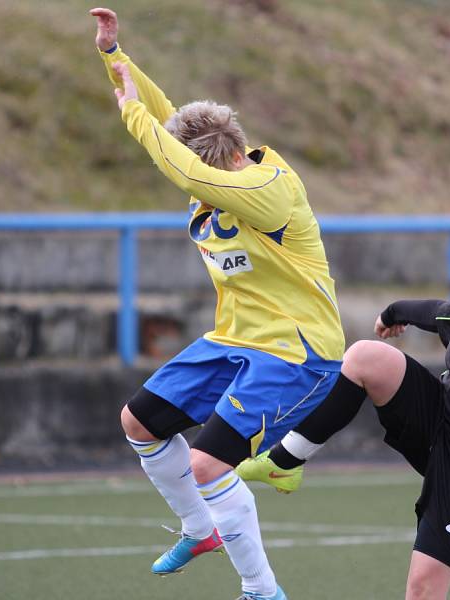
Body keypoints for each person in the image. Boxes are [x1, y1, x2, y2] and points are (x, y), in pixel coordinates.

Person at [89, 8, 345, 600]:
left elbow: (179, 165)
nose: (199, 184)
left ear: (230, 158)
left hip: (297, 352)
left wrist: (131, 116)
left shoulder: (266, 188)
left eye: (204, 173)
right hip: (235, 339)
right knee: (141, 421)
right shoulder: (215, 170)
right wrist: (115, 57)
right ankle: (199, 529)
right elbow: (170, 123)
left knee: (206, 466)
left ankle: (262, 591)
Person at [238, 211, 450, 599]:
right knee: (366, 356)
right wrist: (393, 312)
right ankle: (287, 462)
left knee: (422, 589)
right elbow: (433, 312)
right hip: (439, 423)